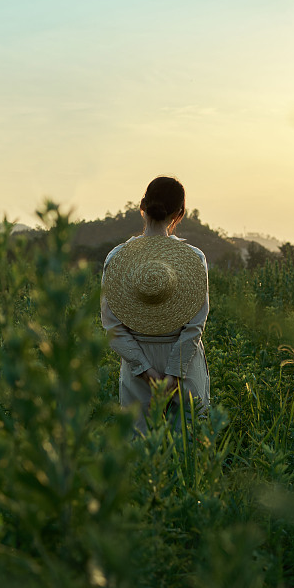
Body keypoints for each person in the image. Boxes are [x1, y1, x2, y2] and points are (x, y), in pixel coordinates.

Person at [100, 177, 209, 433]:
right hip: (185, 361)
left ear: (142, 206)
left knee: (140, 454)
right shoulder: (195, 258)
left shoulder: (116, 258)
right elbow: (196, 324)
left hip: (137, 362)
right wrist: (174, 372)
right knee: (189, 454)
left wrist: (145, 370)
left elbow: (112, 327)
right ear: (180, 213)